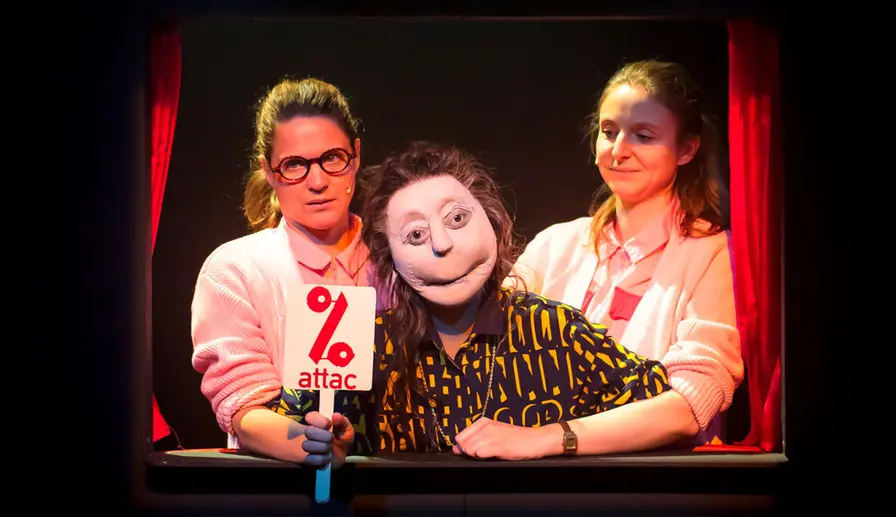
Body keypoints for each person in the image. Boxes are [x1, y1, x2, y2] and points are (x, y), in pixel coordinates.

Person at [274, 141, 701, 467]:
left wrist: (550, 437)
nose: (443, 244)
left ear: (492, 220)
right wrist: (325, 444)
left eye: (458, 219)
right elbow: (284, 424)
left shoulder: (556, 331)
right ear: (390, 257)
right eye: (416, 235)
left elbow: (679, 416)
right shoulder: (362, 344)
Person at [507, 60, 744, 444]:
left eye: (643, 136)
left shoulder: (712, 253)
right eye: (608, 132)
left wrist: (555, 438)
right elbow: (484, 344)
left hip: (655, 475)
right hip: (540, 470)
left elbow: (692, 402)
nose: (618, 150)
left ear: (686, 149)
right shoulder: (554, 245)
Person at [190, 77, 379, 467]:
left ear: (356, 155)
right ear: (269, 171)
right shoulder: (235, 269)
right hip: (282, 488)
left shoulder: (399, 259)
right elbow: (242, 405)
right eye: (294, 165)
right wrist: (312, 444)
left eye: (332, 158)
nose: (317, 181)